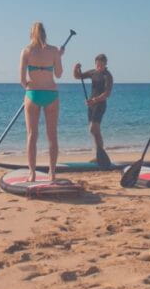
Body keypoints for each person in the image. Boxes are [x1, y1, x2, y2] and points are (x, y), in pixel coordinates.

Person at [20, 22, 64, 181]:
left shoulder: (26, 51)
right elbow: (58, 74)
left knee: (32, 135)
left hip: (33, 94)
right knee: (52, 135)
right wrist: (59, 56)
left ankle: (32, 173)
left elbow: (22, 81)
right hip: (51, 94)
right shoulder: (53, 51)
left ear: (31, 34)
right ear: (45, 33)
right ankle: (52, 173)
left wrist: (31, 88)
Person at [73, 54, 113, 158]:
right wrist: (75, 68)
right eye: (98, 64)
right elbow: (78, 76)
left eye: (102, 64)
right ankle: (99, 154)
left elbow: (107, 94)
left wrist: (95, 100)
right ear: (95, 64)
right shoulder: (93, 72)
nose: (99, 66)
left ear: (105, 64)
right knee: (94, 131)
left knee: (93, 128)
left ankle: (100, 153)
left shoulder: (107, 75)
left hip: (100, 104)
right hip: (91, 105)